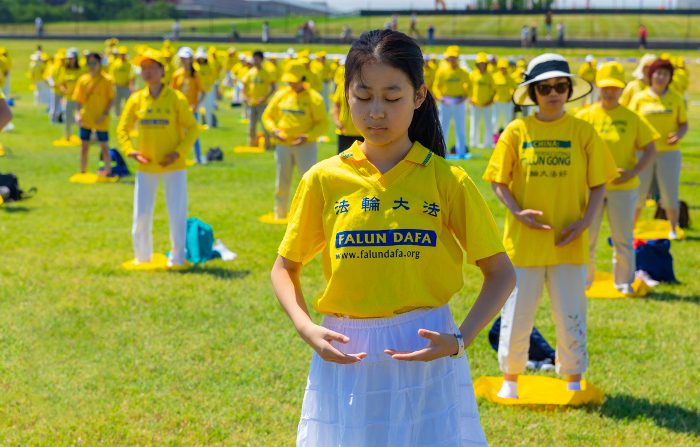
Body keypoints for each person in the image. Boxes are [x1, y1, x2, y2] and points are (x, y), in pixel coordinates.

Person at [271, 29, 515, 446]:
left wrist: (459, 340)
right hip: (347, 351)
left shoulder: (446, 179)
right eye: (363, 97)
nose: (377, 112)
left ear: (419, 96)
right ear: (345, 96)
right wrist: (305, 327)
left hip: (425, 346)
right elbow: (284, 268)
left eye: (392, 96)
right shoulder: (325, 178)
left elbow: (501, 273)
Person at [483, 53, 617, 399]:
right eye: (545, 88)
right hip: (524, 244)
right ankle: (510, 379)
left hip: (567, 242)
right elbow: (498, 180)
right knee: (517, 313)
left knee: (571, 311)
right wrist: (517, 212)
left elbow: (600, 181)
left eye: (560, 86)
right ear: (533, 93)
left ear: (569, 89)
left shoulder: (583, 131)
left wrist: (586, 221)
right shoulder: (517, 130)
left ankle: (573, 377)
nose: (554, 93)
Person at [576, 62, 658, 294]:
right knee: (587, 237)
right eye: (605, 87)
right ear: (597, 88)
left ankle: (624, 281)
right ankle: (584, 281)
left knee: (623, 237)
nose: (610, 92)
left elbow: (651, 147)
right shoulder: (585, 116)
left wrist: (633, 171)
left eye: (614, 87)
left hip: (623, 187)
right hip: (591, 187)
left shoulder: (632, 118)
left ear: (622, 89)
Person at [117, 49, 199, 268]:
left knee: (177, 213)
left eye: (152, 68)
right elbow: (122, 128)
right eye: (144, 69)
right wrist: (130, 150)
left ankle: (178, 258)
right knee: (141, 214)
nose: (147, 72)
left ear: (163, 71)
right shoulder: (136, 99)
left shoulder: (175, 98)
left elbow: (192, 129)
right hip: (146, 166)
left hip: (174, 165)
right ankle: (142, 257)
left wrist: (178, 153)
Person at [629, 58, 688, 239]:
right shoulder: (639, 98)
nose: (661, 77)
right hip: (643, 152)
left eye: (665, 74)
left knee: (669, 190)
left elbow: (683, 124)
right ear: (650, 75)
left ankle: (673, 228)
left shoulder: (675, 98)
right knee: (638, 191)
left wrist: (678, 135)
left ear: (670, 78)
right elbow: (632, 123)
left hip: (669, 153)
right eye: (658, 73)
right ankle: (631, 229)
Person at [262, 62, 328, 219]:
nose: (290, 83)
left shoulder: (314, 98)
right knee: (281, 182)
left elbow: (323, 123)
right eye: (289, 80)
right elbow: (267, 116)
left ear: (302, 79)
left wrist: (308, 136)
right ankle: (280, 213)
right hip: (283, 145)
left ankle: (312, 217)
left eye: (294, 80)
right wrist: (274, 130)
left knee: (309, 182)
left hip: (306, 146)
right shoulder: (281, 95)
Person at [73, 52, 115, 176]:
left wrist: (105, 114)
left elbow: (111, 99)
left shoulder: (107, 80)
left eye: (94, 63)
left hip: (101, 118)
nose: (92, 66)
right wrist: (78, 114)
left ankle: (108, 171)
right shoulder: (83, 80)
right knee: (84, 147)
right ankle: (83, 171)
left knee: (104, 147)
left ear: (99, 64)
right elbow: (78, 99)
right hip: (86, 117)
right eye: (89, 63)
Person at [432, 45, 470, 158]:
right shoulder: (442, 71)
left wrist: (465, 96)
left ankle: (462, 152)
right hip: (446, 102)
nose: (452, 59)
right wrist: (440, 97)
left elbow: (469, 85)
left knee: (460, 128)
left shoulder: (463, 72)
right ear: (447, 58)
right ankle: (442, 152)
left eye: (454, 57)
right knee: (443, 128)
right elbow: (436, 86)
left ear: (458, 58)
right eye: (450, 57)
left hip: (459, 101)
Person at [171, 46, 205, 163]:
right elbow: (173, 92)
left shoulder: (195, 74)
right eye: (183, 58)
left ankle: (198, 157)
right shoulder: (177, 74)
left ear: (191, 59)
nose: (185, 60)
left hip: (192, 110)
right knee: (178, 135)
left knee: (194, 135)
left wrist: (197, 105)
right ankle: (179, 157)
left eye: (187, 58)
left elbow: (203, 92)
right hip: (179, 109)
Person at [241, 50, 276, 149]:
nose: (255, 61)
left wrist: (265, 97)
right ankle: (251, 144)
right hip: (252, 104)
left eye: (257, 59)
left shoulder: (266, 73)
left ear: (261, 60)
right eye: (254, 58)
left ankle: (267, 145)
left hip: (263, 103)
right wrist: (246, 97)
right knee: (251, 126)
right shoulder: (250, 72)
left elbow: (273, 87)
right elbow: (244, 86)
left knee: (265, 125)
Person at [331, 64, 363, 153]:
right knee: (343, 161)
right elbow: (336, 105)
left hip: (361, 132)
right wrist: (337, 121)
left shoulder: (365, 86)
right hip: (344, 131)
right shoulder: (342, 86)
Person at [57, 48, 85, 141]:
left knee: (81, 118)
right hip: (68, 98)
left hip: (78, 99)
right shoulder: (65, 70)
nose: (70, 60)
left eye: (72, 58)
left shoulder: (80, 70)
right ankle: (67, 136)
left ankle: (83, 136)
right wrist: (64, 90)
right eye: (69, 58)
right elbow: (61, 83)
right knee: (67, 118)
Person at [469, 52, 496, 149]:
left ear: (486, 64)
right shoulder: (473, 74)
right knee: (474, 124)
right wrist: (470, 99)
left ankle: (488, 143)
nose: (482, 65)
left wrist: (490, 101)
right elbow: (469, 88)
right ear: (477, 64)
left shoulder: (490, 76)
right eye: (480, 63)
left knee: (488, 124)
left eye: (483, 63)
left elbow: (494, 90)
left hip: (487, 104)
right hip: (475, 104)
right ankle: (474, 143)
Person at [492, 58, 516, 135]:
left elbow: (515, 89)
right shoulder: (495, 76)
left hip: (507, 102)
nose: (503, 69)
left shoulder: (510, 77)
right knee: (495, 120)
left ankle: (507, 136)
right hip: (497, 102)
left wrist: (511, 97)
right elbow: (492, 89)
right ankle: (495, 137)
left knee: (508, 120)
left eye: (504, 68)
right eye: (502, 68)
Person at [110, 46, 134, 116]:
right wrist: (114, 81)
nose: (123, 56)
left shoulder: (129, 64)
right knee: (116, 101)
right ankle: (117, 114)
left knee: (128, 101)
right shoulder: (115, 63)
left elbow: (131, 73)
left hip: (126, 86)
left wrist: (129, 82)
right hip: (117, 86)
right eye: (121, 54)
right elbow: (112, 73)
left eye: (124, 54)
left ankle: (128, 113)